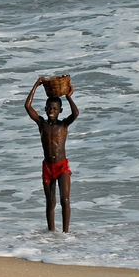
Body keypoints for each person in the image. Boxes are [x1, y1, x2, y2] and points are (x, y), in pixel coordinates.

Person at [25, 77, 79, 233]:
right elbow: (27, 106)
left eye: (55, 109)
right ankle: (51, 234)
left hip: (62, 166)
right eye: (49, 108)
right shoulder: (41, 124)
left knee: (65, 199)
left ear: (60, 111)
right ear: (45, 108)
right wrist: (36, 84)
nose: (51, 111)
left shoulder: (63, 124)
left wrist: (68, 96)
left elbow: (76, 113)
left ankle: (65, 233)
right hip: (48, 167)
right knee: (50, 202)